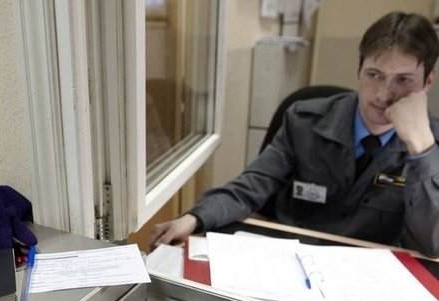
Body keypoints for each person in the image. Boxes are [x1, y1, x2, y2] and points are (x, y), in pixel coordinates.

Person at [151, 11, 439, 257]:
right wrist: (195, 217)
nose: (383, 94)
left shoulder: (431, 144)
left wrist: (421, 149)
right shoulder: (304, 121)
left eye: (403, 80)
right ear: (359, 69)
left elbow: (431, 245)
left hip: (370, 279)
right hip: (291, 263)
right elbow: (253, 184)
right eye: (374, 74)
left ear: (427, 82)